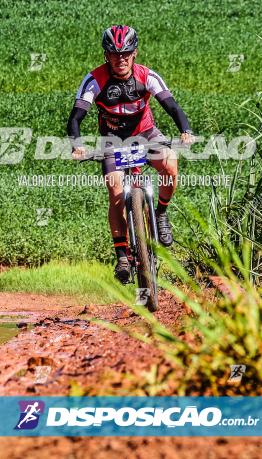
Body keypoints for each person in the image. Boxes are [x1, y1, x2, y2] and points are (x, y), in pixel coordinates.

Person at [67, 25, 194, 283]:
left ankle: (160, 213)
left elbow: (171, 105)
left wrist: (185, 130)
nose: (120, 59)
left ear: (135, 53)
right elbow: (76, 117)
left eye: (126, 53)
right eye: (114, 54)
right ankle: (122, 256)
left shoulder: (147, 76)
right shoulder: (95, 80)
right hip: (112, 141)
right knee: (115, 192)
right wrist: (77, 145)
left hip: (145, 133)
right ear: (106, 55)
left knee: (170, 163)